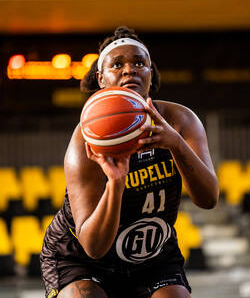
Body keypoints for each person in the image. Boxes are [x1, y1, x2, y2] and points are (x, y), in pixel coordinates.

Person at [40, 26, 219, 298]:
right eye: (117, 64)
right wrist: (115, 182)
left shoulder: (180, 120)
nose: (129, 69)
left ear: (150, 73)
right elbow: (94, 246)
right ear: (101, 78)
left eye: (139, 63)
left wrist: (175, 144)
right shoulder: (85, 139)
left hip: (151, 255)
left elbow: (208, 199)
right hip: (81, 258)